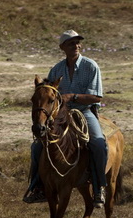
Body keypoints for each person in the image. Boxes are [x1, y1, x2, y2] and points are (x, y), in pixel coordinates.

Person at [23, 29, 108, 208]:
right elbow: (48, 94)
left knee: (99, 143)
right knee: (37, 146)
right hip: (60, 115)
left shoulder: (91, 66)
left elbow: (97, 97)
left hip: (84, 111)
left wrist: (73, 97)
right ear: (62, 47)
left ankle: (99, 186)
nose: (76, 46)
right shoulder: (56, 69)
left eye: (77, 42)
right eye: (71, 43)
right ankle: (37, 187)